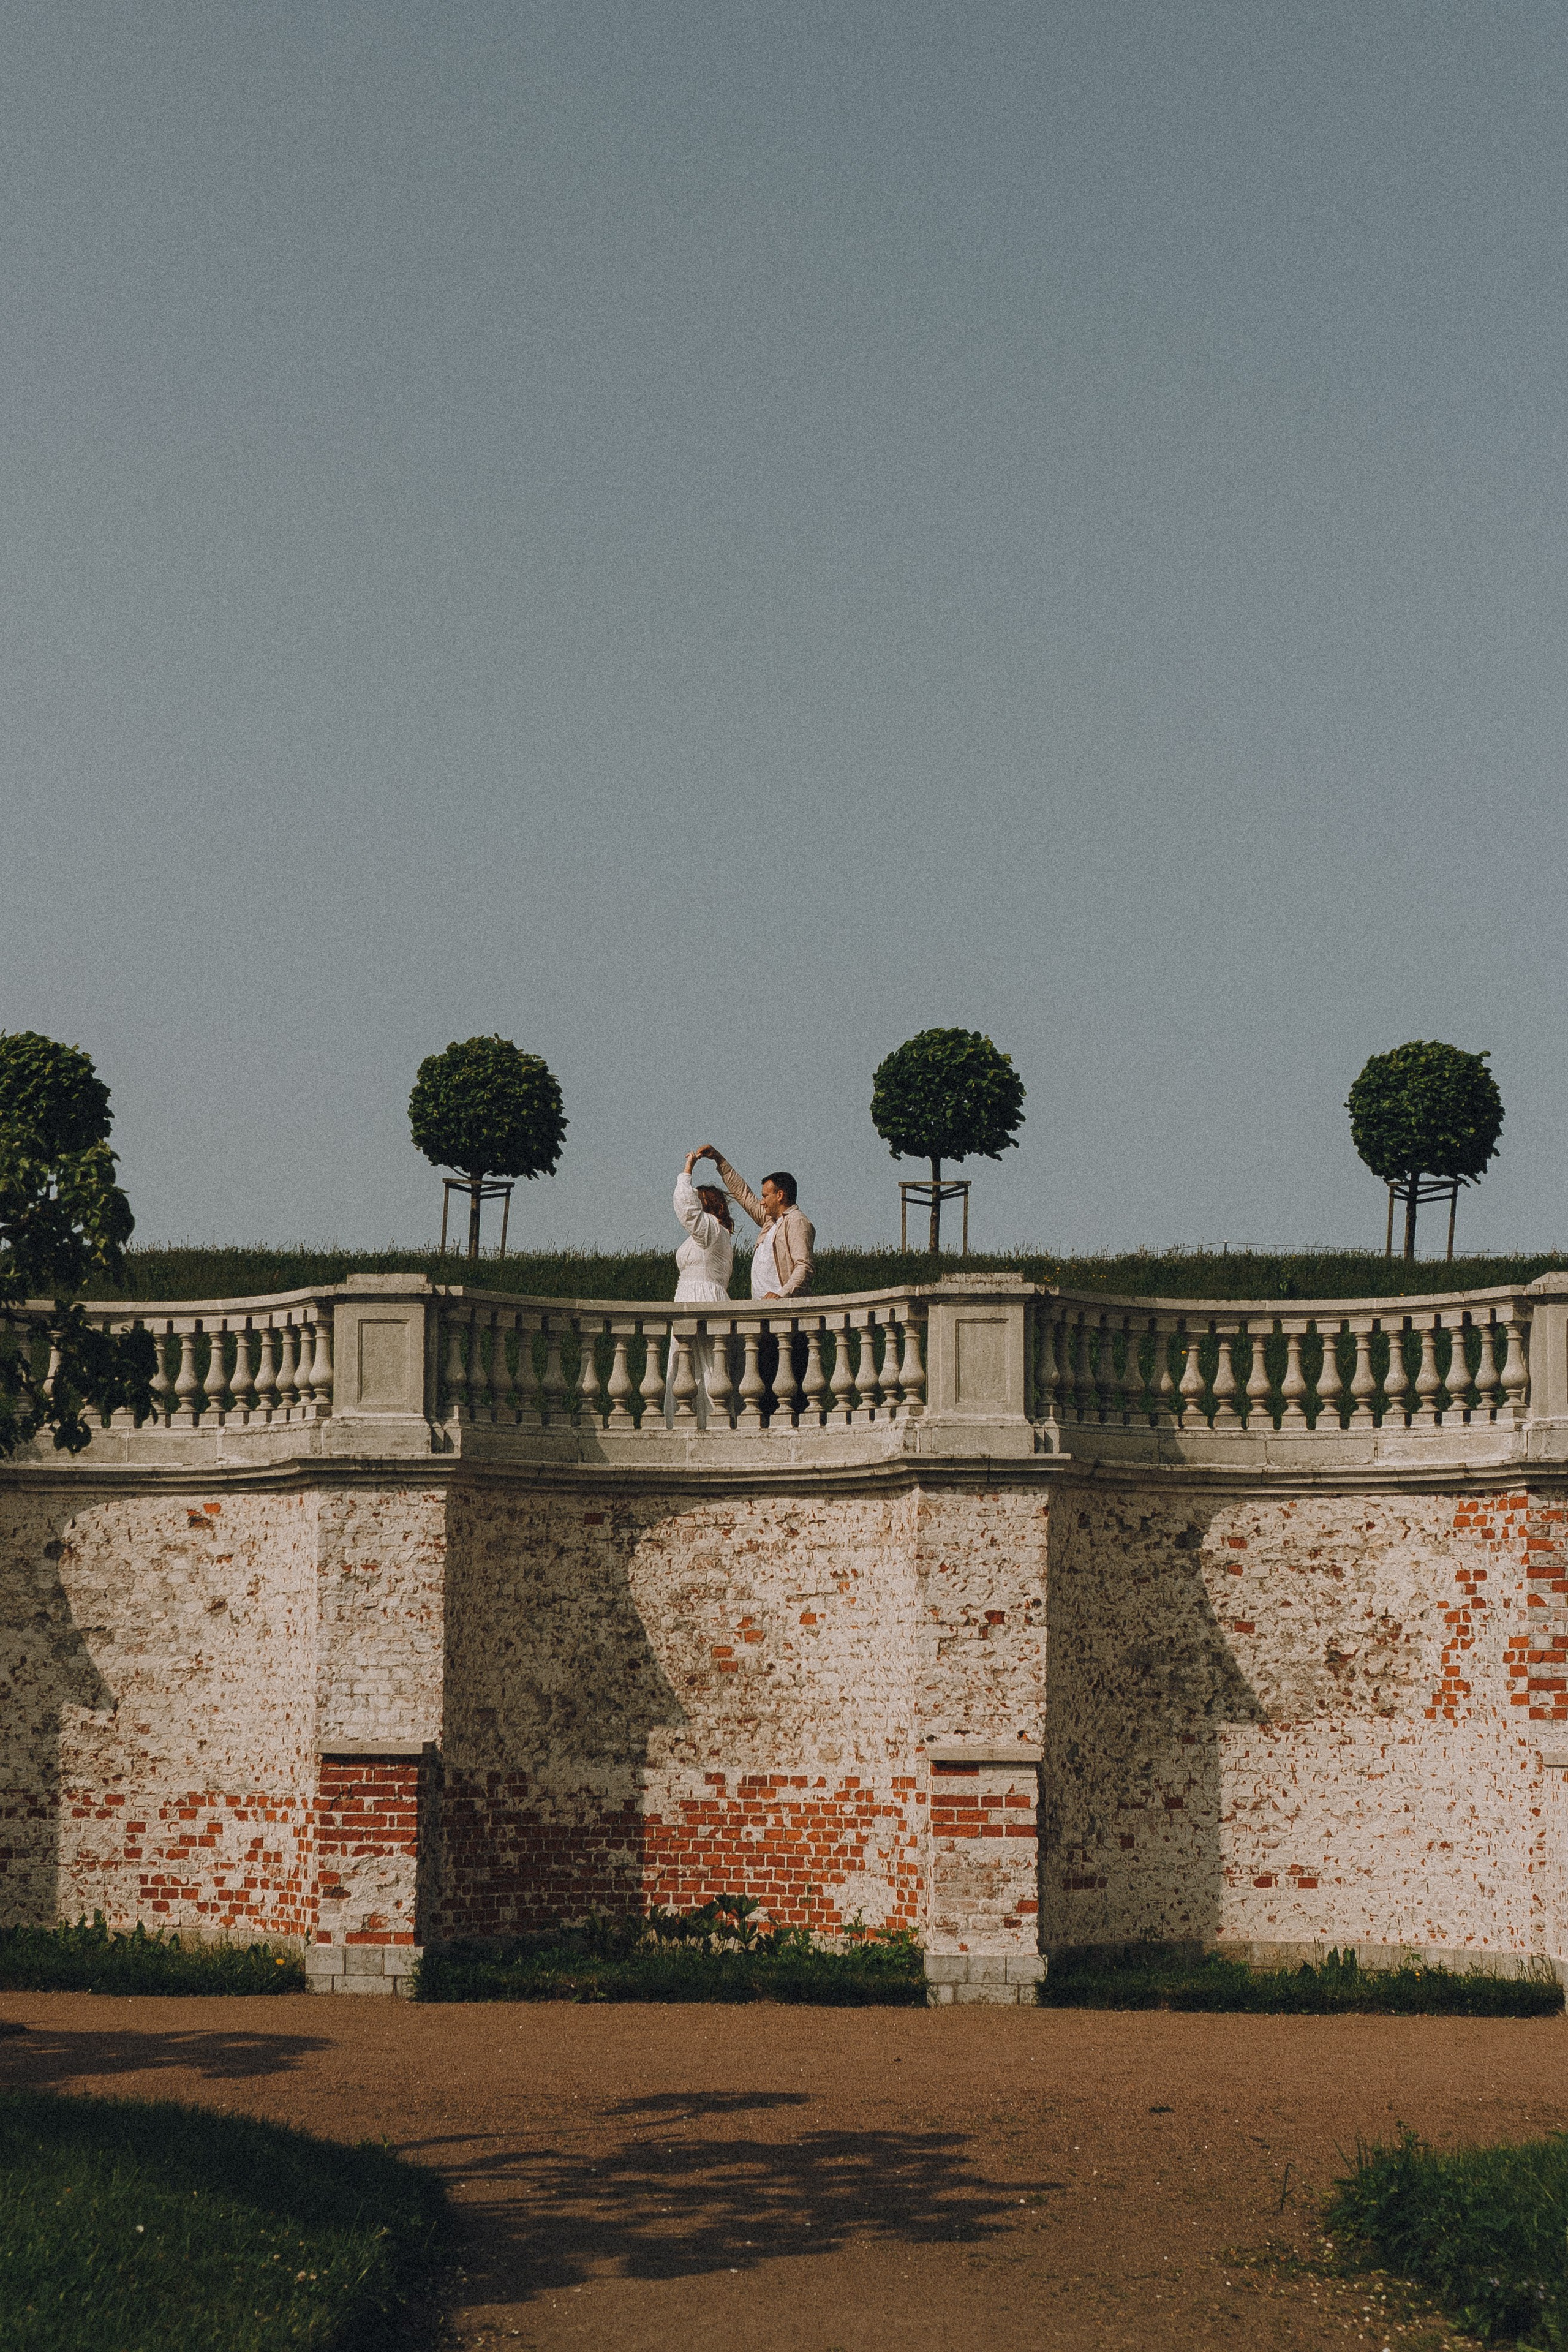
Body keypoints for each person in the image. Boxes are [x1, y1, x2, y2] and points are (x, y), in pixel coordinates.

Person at [665, 1150, 735, 1427]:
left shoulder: (714, 1231)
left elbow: (686, 1208)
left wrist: (687, 1168)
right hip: (688, 1297)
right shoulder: (706, 1235)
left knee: (705, 1370)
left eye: (699, 1198)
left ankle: (708, 1426)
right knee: (684, 1369)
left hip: (703, 1298)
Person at [698, 1152, 814, 1299]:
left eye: (765, 1196)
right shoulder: (770, 1221)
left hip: (782, 1307)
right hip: (762, 1306)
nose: (762, 1201)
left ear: (780, 1195)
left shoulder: (796, 1221)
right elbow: (743, 1194)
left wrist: (781, 1295)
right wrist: (720, 1161)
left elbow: (804, 1266)